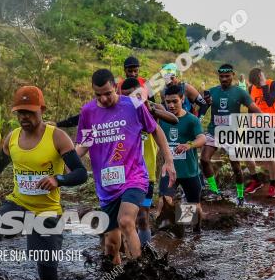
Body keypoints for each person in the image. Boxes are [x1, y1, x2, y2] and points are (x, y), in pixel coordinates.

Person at [0, 86, 87, 280]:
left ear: (42, 109)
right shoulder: (12, 138)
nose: (24, 118)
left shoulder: (57, 137)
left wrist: (59, 179)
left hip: (47, 212)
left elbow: (80, 174)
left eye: (30, 112)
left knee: (47, 269)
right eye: (20, 113)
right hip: (18, 204)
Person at [75, 69, 176, 265]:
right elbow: (85, 144)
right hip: (106, 185)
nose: (103, 99)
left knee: (127, 221)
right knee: (112, 245)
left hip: (134, 177)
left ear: (116, 88)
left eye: (108, 93)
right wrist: (66, 159)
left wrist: (169, 160)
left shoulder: (133, 104)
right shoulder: (88, 112)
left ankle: (139, 272)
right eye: (98, 95)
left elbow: (156, 130)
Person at [120, 77, 179, 247]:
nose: (128, 100)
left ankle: (145, 252)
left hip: (147, 175)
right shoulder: (119, 112)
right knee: (123, 218)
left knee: (143, 216)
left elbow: (173, 119)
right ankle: (125, 251)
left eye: (132, 96)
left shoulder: (151, 108)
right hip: (124, 174)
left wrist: (149, 109)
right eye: (124, 96)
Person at [201, 64, 263, 206]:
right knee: (204, 159)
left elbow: (254, 109)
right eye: (221, 76)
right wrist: (203, 104)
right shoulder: (211, 92)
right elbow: (201, 109)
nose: (224, 79)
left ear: (232, 75)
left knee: (236, 167)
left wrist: (261, 121)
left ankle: (240, 196)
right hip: (213, 132)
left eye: (227, 76)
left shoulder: (240, 92)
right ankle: (214, 191)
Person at [158, 84, 206, 232]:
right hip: (169, 170)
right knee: (164, 201)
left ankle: (196, 230)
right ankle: (166, 230)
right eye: (168, 102)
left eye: (175, 101)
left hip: (189, 172)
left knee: (194, 207)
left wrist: (188, 145)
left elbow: (202, 138)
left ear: (182, 99)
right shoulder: (162, 119)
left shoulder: (192, 120)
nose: (171, 105)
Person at [244, 67, 275, 198]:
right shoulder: (251, 88)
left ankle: (272, 185)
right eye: (256, 84)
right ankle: (256, 181)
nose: (257, 85)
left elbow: (270, 102)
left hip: (270, 125)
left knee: (269, 157)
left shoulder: (273, 84)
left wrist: (264, 85)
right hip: (254, 126)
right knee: (247, 154)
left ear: (261, 76)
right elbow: (250, 107)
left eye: (258, 82)